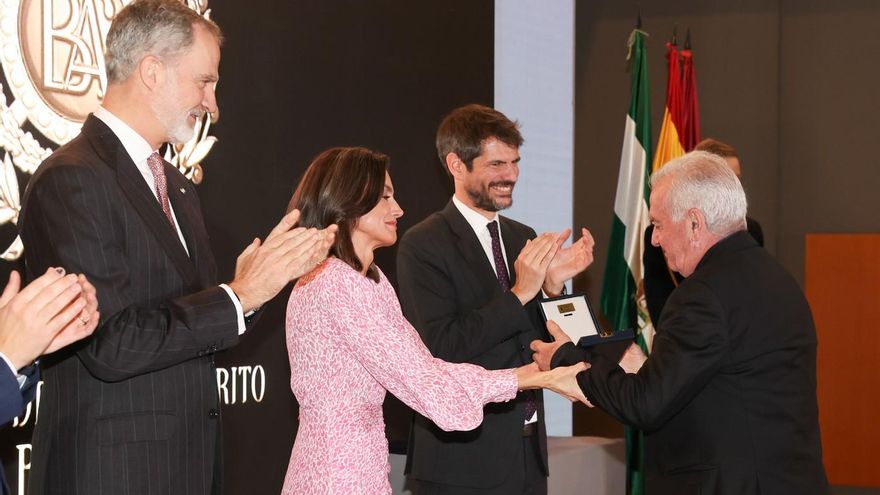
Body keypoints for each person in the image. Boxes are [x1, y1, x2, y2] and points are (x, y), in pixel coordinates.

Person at [18, 1, 335, 493]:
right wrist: (238, 296)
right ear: (151, 72)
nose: (213, 105)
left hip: (185, 468)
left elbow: (188, 321)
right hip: (110, 477)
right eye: (204, 82)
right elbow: (110, 343)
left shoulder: (176, 187)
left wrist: (248, 292)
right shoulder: (73, 179)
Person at [281, 147, 586, 494]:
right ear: (349, 201)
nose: (398, 209)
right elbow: (427, 384)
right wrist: (527, 378)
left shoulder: (371, 280)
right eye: (384, 197)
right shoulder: (337, 283)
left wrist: (529, 376)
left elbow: (426, 366)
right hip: (335, 477)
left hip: (360, 468)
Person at [533, 151, 829, 495]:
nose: (655, 239)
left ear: (694, 223)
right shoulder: (776, 278)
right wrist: (644, 366)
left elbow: (645, 405)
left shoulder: (702, 295)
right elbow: (718, 377)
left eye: (658, 224)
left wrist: (565, 359)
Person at [397, 104, 594, 494]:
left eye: (515, 162)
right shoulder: (423, 245)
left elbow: (540, 341)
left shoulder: (523, 236)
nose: (511, 176)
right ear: (456, 164)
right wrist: (521, 292)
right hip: (459, 466)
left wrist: (554, 289)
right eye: (497, 164)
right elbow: (441, 348)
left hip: (528, 459)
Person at [643, 137, 764, 326]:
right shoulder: (660, 234)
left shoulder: (751, 230)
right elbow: (659, 298)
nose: (735, 185)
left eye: (737, 178)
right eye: (727, 176)